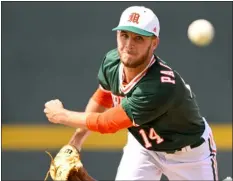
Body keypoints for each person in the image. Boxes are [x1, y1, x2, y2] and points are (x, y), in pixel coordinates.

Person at [44, 6, 218, 180]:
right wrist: (75, 143)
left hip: (189, 155)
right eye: (124, 35)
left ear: (154, 43)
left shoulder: (158, 86)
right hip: (143, 146)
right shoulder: (112, 63)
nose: (128, 45)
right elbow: (104, 97)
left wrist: (61, 115)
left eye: (138, 38)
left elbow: (107, 122)